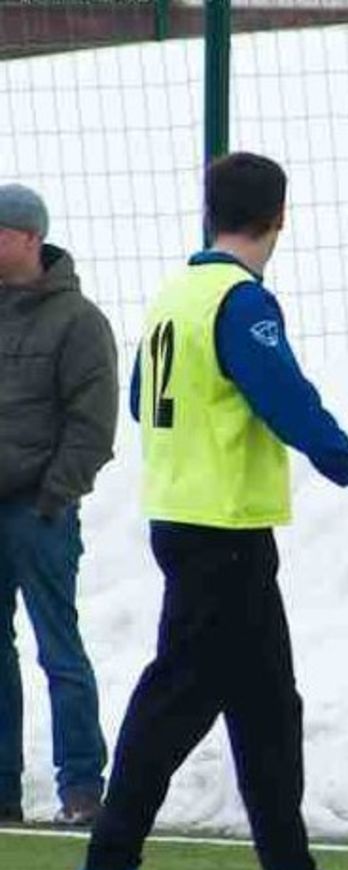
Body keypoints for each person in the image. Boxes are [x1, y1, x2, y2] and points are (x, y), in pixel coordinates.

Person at [71, 152, 348, 870]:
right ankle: (106, 865)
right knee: (179, 697)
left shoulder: (176, 295)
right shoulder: (241, 303)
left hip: (187, 519)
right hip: (220, 531)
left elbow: (143, 401)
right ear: (281, 217)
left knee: (268, 704)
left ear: (210, 211)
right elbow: (289, 403)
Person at [0, 184, 116, 827]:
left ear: (28, 238)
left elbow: (92, 424)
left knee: (59, 650)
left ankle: (81, 789)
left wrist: (54, 496)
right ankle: (3, 792)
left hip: (40, 512)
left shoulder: (78, 321)